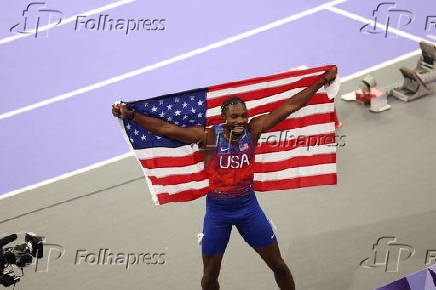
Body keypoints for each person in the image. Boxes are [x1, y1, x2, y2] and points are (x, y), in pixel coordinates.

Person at [112, 66, 337, 290]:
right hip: (217, 215)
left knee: (278, 265)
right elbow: (164, 128)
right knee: (209, 276)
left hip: (249, 210)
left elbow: (290, 106)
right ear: (223, 118)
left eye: (243, 115)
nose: (240, 120)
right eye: (235, 116)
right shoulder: (208, 137)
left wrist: (321, 82)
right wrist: (131, 115)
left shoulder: (254, 130)